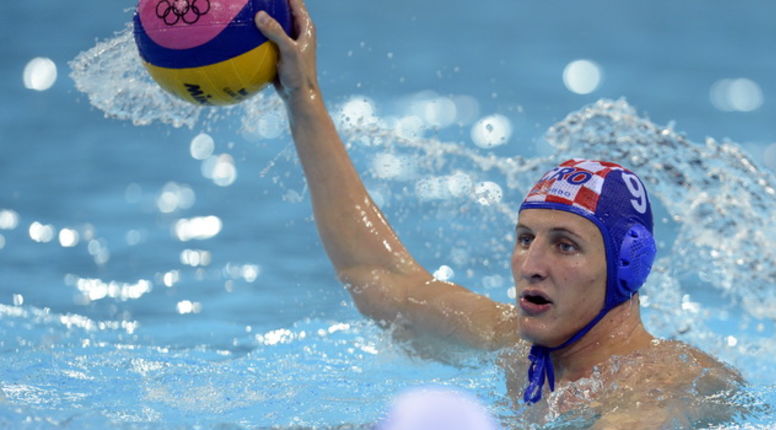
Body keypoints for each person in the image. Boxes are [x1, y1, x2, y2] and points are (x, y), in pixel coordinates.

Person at [254, 1, 743, 427]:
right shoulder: (515, 344)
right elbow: (378, 280)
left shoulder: (668, 380)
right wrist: (303, 96)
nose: (532, 263)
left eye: (565, 244)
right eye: (526, 237)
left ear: (628, 266)